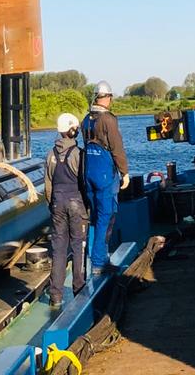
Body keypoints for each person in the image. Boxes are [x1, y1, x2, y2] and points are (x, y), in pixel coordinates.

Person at [81, 81, 129, 275]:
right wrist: (124, 172)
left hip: (88, 171)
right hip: (103, 173)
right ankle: (99, 262)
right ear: (107, 97)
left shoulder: (86, 119)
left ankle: (91, 258)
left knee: (94, 216)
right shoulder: (108, 120)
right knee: (105, 216)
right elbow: (117, 148)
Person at [44, 112, 87, 313]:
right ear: (72, 130)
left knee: (58, 249)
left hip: (57, 203)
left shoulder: (51, 154)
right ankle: (79, 289)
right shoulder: (78, 154)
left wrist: (52, 204)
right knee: (78, 246)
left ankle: (56, 295)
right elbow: (84, 181)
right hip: (75, 202)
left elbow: (48, 184)